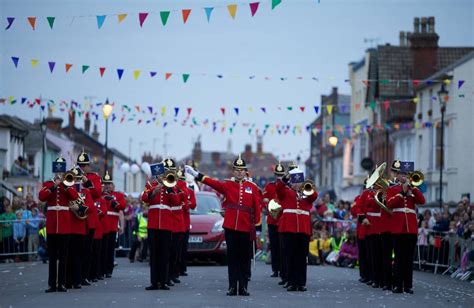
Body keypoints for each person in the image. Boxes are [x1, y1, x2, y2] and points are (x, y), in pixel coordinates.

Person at [185, 154, 261, 296]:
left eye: (241, 169)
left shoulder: (252, 187)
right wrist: (196, 174)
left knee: (244, 259)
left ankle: (243, 287)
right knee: (232, 258)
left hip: (245, 227)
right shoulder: (228, 185)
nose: (239, 172)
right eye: (236, 169)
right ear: (233, 171)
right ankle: (232, 286)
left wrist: (256, 228)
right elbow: (212, 182)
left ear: (245, 171)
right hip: (231, 226)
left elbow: (257, 207)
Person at [38, 156, 80, 293]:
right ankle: (52, 284)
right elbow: (41, 196)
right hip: (51, 224)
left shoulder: (68, 183)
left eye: (61, 172)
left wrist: (65, 185)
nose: (59, 175)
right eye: (58, 172)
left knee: (63, 256)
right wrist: (54, 186)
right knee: (52, 256)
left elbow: (74, 196)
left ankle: (61, 283)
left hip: (64, 225)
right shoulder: (48, 183)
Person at [142, 161, 183, 290]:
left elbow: (176, 201)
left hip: (166, 225)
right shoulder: (151, 185)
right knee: (154, 254)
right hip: (153, 225)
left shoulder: (171, 186)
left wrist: (169, 189)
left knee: (165, 254)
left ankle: (164, 281)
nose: (162, 175)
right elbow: (144, 197)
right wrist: (154, 191)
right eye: (161, 172)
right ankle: (154, 282)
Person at [276, 166, 318, 292]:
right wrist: (285, 178)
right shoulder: (286, 193)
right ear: (291, 183)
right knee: (290, 256)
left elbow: (314, 196)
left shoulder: (307, 194)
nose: (297, 184)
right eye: (295, 182)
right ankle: (291, 281)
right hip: (289, 228)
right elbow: (279, 188)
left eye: (300, 182)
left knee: (301, 257)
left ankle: (301, 282)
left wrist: (306, 188)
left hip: (303, 229)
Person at [386, 161, 425, 294]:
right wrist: (402, 193)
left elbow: (422, 201)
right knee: (399, 258)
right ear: (397, 175)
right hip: (398, 228)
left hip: (411, 229)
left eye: (407, 174)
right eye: (402, 174)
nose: (404, 176)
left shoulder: (413, 189)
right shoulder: (392, 189)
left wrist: (413, 188)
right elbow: (390, 204)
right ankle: (397, 285)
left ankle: (408, 285)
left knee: (408, 258)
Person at [76, 151, 102, 285]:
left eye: (85, 165)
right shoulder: (73, 175)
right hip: (76, 217)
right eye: (81, 165)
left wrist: (87, 182)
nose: (83, 167)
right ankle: (75, 276)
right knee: (76, 249)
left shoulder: (94, 177)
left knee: (87, 249)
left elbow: (98, 193)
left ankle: (85, 275)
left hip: (90, 218)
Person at [65, 166, 92, 289]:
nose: (76, 181)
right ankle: (67, 280)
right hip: (68, 226)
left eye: (78, 179)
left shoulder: (85, 192)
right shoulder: (67, 190)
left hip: (80, 227)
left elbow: (91, 207)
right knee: (68, 255)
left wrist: (79, 208)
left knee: (78, 255)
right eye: (74, 179)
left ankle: (77, 280)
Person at [262, 162, 286, 278]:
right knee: (274, 245)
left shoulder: (287, 186)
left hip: (283, 220)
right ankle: (275, 269)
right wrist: (266, 205)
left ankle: (283, 269)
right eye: (277, 174)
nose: (279, 177)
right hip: (272, 219)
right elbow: (264, 199)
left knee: (283, 246)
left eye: (281, 175)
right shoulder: (270, 186)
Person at [102, 171, 126, 278]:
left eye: (109, 184)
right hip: (102, 226)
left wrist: (112, 202)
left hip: (112, 226)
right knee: (102, 249)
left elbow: (122, 206)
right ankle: (100, 270)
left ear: (113, 185)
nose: (107, 186)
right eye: (105, 184)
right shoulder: (100, 195)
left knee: (110, 249)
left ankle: (108, 270)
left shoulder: (118, 195)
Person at [177, 166, 197, 276]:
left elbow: (193, 204)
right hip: (175, 221)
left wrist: (186, 204)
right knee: (176, 247)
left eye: (182, 180)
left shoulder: (190, 191)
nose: (181, 182)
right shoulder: (175, 189)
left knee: (183, 247)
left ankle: (182, 268)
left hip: (185, 222)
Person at [350, 187, 369, 283]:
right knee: (362, 253)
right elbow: (353, 211)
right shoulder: (358, 198)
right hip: (361, 228)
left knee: (369, 254)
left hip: (370, 227)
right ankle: (363, 274)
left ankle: (370, 275)